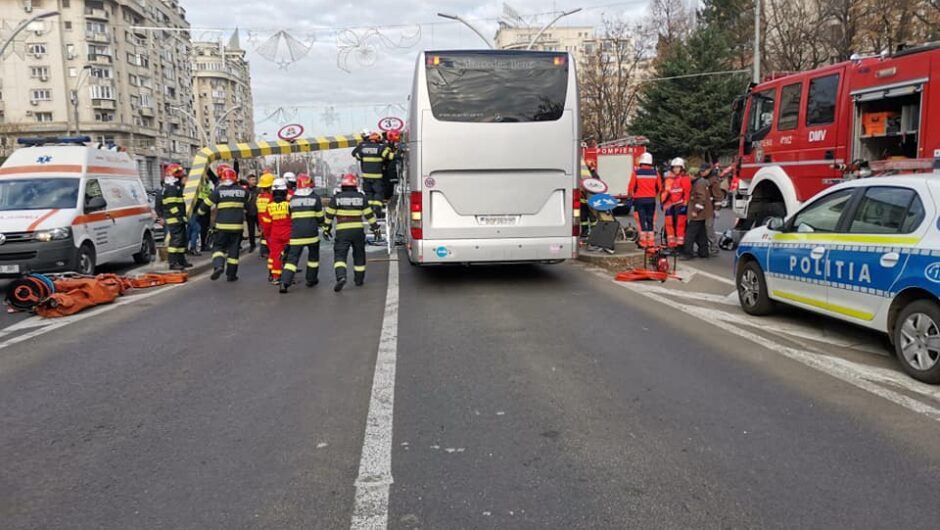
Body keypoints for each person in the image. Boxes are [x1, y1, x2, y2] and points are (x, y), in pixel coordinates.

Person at [324, 173, 379, 292]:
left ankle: (341, 277)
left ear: (342, 185)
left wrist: (326, 229)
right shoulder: (361, 197)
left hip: (342, 231)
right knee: (359, 255)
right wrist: (376, 229)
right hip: (358, 231)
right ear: (355, 185)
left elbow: (329, 216)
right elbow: (369, 215)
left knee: (340, 255)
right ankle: (359, 280)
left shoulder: (336, 198)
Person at [199, 167, 248, 281]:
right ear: (235, 178)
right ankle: (231, 275)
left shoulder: (218, 191)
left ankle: (219, 265)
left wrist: (199, 214)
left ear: (222, 178)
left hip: (222, 227)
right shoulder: (242, 191)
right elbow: (250, 200)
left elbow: (205, 206)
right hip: (237, 227)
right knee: (234, 251)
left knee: (218, 247)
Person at [279, 174, 325, 293]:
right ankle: (311, 279)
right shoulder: (315, 198)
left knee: (292, 259)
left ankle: (284, 282)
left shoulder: (292, 199)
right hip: (312, 235)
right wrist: (322, 224)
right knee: (313, 258)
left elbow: (290, 214)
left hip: (296, 235)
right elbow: (320, 217)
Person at [352, 132, 394, 218]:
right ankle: (377, 209)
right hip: (377, 177)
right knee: (378, 193)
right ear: (378, 140)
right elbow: (389, 157)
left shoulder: (363, 147)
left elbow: (356, 155)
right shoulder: (381, 147)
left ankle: (369, 210)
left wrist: (360, 146)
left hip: (366, 177)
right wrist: (395, 151)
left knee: (369, 194)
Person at [160, 164, 192, 270]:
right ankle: (173, 263)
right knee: (176, 240)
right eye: (180, 175)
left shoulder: (173, 187)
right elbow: (171, 205)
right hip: (175, 219)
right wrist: (179, 215)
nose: (182, 177)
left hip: (178, 218)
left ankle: (181, 261)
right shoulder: (172, 188)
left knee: (182, 240)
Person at [627, 152, 661, 248]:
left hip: (639, 201)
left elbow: (630, 188)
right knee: (650, 220)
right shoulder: (656, 173)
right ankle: (651, 242)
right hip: (651, 200)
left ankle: (643, 242)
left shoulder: (636, 173)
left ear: (641, 162)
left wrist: (631, 197)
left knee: (641, 221)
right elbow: (659, 187)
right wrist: (653, 194)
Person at [264, 178, 292, 284]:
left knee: (275, 255)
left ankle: (276, 277)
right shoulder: (289, 204)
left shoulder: (270, 206)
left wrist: (268, 235)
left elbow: (266, 224)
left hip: (275, 235)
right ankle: (288, 276)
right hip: (288, 234)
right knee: (289, 256)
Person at [682, 166, 713, 260]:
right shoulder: (702, 182)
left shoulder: (698, 184)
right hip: (704, 213)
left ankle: (688, 253)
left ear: (693, 175)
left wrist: (695, 211)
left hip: (699, 213)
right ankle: (704, 252)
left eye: (689, 175)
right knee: (701, 233)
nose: (688, 177)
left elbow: (701, 198)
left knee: (690, 234)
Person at [661, 158, 692, 250]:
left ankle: (680, 247)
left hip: (680, 206)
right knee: (670, 226)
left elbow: (687, 193)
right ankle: (672, 245)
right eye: (674, 168)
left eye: (678, 167)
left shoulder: (685, 179)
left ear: (682, 168)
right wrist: (665, 203)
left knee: (680, 227)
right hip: (672, 206)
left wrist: (685, 205)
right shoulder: (672, 179)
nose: (675, 169)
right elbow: (668, 193)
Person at [702, 162, 726, 256]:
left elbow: (718, 196)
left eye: (703, 171)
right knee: (703, 227)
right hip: (703, 206)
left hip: (710, 207)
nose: (702, 172)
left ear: (708, 170)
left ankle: (714, 246)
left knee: (708, 227)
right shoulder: (705, 179)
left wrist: (717, 209)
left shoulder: (713, 181)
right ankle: (706, 246)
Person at [257, 172, 275, 262]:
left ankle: (264, 251)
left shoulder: (259, 197)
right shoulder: (271, 197)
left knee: (264, 237)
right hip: (270, 221)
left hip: (261, 221)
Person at [382, 130, 402, 201]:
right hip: (388, 171)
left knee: (394, 188)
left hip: (393, 171)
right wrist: (397, 156)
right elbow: (384, 155)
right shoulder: (386, 146)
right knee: (389, 189)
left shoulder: (392, 145)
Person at [244, 174, 259, 253]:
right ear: (248, 181)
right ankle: (252, 245)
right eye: (252, 180)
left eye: (254, 179)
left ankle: (265, 247)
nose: (254, 181)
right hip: (249, 212)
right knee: (251, 230)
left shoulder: (258, 190)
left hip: (259, 212)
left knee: (262, 229)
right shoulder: (245, 190)